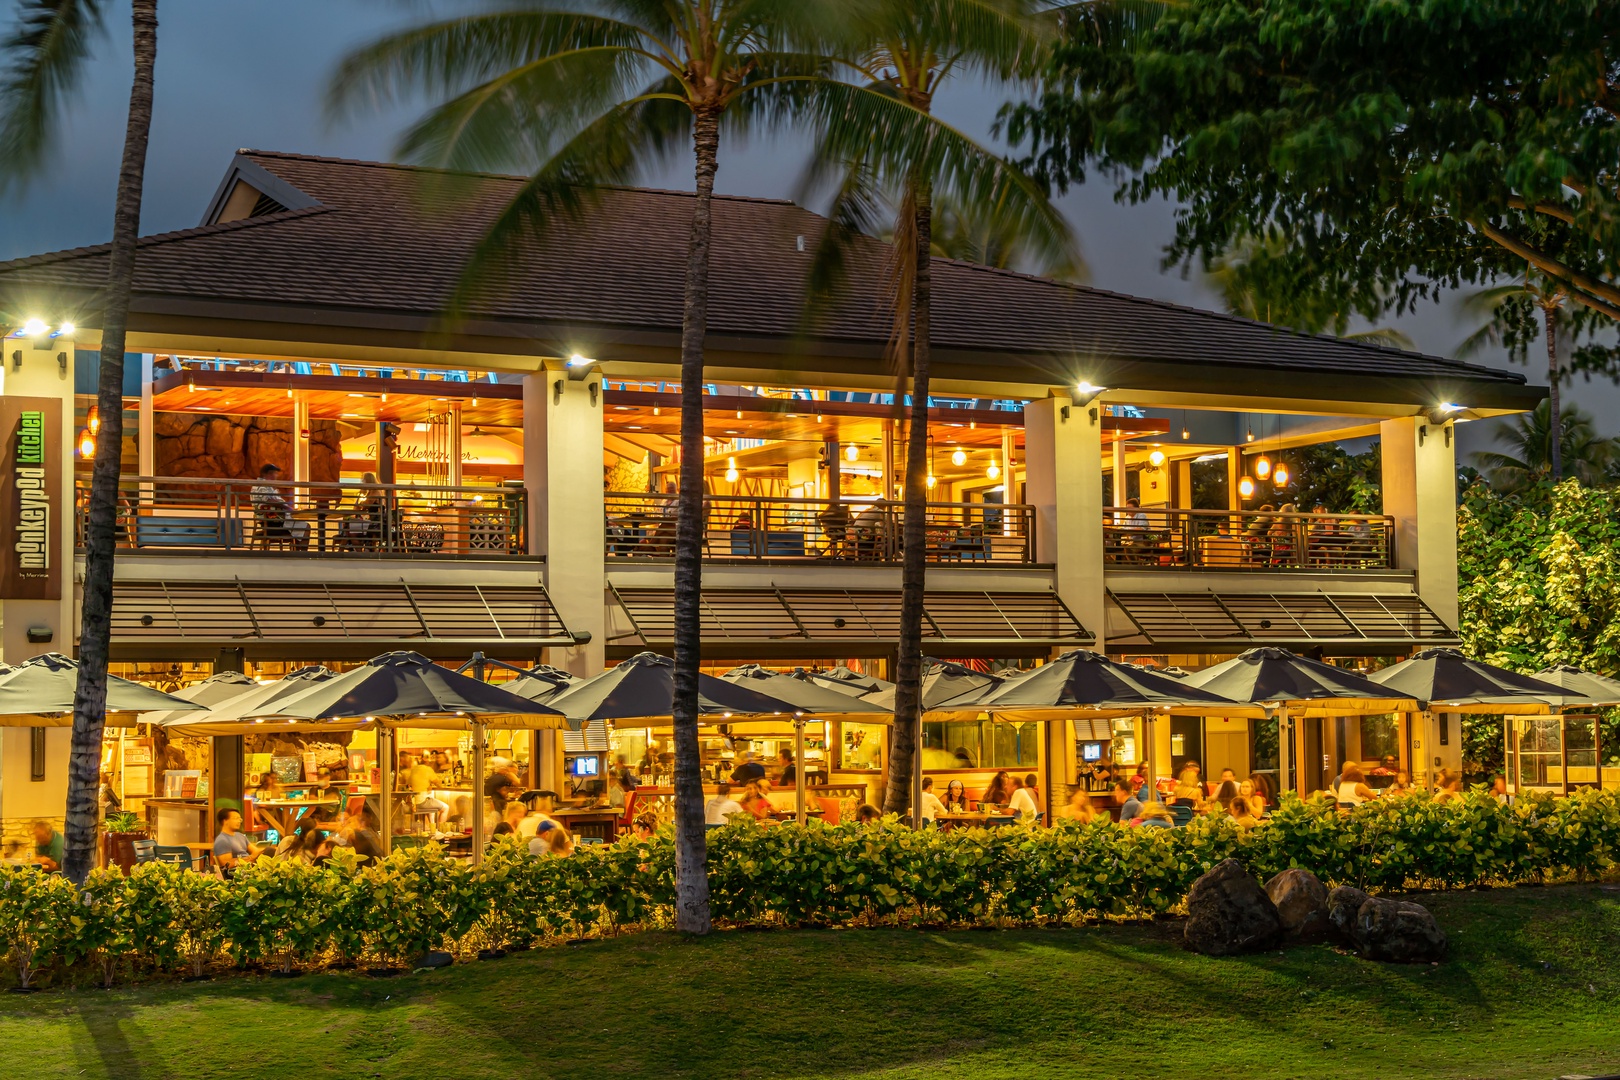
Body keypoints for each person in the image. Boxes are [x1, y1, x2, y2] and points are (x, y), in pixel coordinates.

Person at [249, 463, 309, 546]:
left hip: (273, 521)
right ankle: (301, 556)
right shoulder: (262, 485)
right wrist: (287, 508)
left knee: (300, 529)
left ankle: (296, 555)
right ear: (268, 473)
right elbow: (270, 500)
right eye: (275, 473)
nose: (276, 476)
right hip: (273, 523)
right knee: (306, 527)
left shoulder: (264, 485)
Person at [212, 808, 260, 876]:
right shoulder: (222, 840)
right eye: (235, 818)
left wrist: (254, 857)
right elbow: (227, 865)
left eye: (240, 819)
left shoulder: (240, 836)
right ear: (225, 821)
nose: (239, 821)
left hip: (250, 867)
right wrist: (250, 859)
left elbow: (256, 851)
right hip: (238, 873)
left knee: (269, 851)